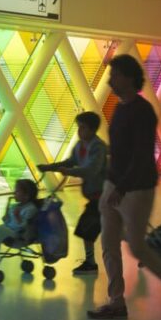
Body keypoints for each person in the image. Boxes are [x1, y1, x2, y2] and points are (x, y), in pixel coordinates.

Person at [88, 55, 161, 320]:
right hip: (115, 184)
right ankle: (116, 301)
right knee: (109, 242)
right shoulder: (119, 108)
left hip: (136, 188)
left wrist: (120, 186)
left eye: (115, 75)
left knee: (136, 246)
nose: (110, 80)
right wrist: (109, 182)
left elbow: (142, 155)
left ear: (130, 77)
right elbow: (120, 151)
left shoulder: (143, 111)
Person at [38, 111, 107, 276]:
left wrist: (68, 171)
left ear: (92, 129)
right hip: (96, 197)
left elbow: (91, 170)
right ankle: (145, 251)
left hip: (103, 197)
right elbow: (70, 162)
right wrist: (50, 168)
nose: (79, 131)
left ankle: (91, 264)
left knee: (88, 229)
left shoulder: (97, 146)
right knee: (115, 230)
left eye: (82, 127)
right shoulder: (80, 146)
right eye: (78, 127)